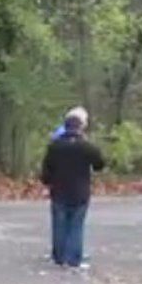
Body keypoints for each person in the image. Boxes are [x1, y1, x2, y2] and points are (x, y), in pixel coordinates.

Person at [39, 106, 106, 269]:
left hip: (59, 190)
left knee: (59, 224)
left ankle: (59, 256)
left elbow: (46, 168)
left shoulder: (55, 146)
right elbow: (100, 164)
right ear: (81, 126)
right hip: (80, 191)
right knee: (76, 225)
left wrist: (47, 181)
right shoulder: (87, 147)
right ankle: (74, 258)